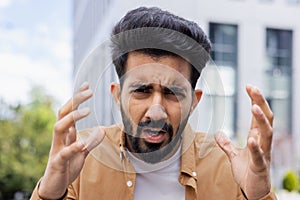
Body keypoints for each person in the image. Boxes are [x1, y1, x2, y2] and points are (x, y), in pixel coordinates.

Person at [30, 7, 277, 200]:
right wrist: (51, 192)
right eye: (141, 90)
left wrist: (258, 194)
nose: (156, 111)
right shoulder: (80, 160)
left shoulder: (229, 169)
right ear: (117, 95)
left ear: (194, 101)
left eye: (173, 93)